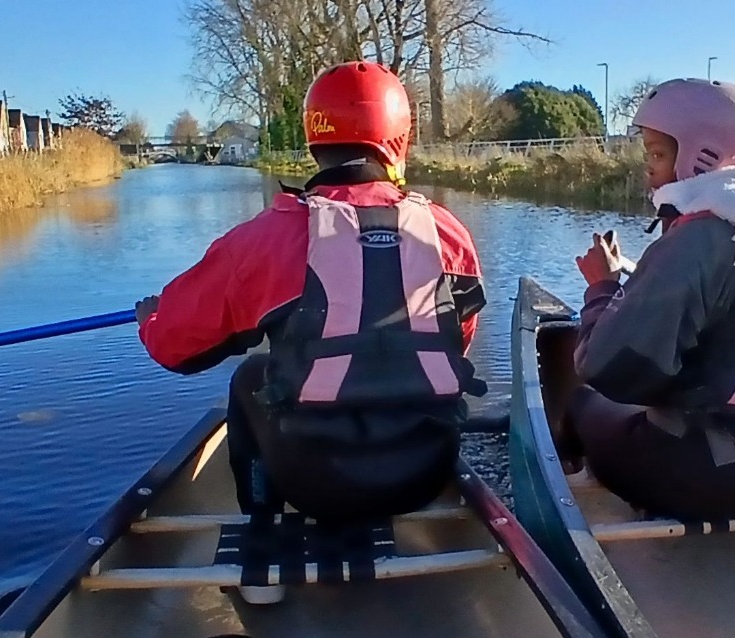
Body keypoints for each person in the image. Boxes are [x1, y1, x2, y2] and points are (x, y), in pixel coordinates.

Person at [135, 61, 488, 603]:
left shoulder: (267, 237)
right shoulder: (447, 232)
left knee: (252, 374)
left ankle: (264, 540)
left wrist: (151, 318)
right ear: (397, 141)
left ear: (313, 137)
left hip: (313, 479)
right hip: (425, 470)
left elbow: (174, 348)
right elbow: (455, 345)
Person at [560, 77, 735, 522]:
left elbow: (606, 367)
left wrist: (602, 288)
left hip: (698, 480)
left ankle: (574, 496)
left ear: (700, 157)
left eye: (657, 153)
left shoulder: (701, 239)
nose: (648, 168)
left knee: (581, 401)